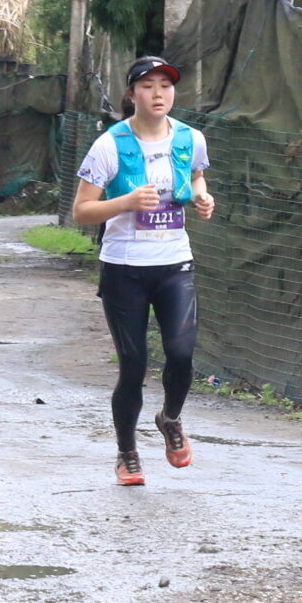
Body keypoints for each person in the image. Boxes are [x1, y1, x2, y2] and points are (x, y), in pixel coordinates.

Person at [71, 57, 216, 485]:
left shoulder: (191, 138)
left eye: (165, 86)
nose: (158, 94)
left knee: (183, 353)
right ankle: (127, 452)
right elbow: (81, 211)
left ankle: (170, 417)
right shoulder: (109, 145)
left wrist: (203, 198)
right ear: (132, 94)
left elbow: (196, 178)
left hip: (174, 263)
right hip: (124, 268)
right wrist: (126, 203)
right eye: (148, 86)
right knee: (133, 364)